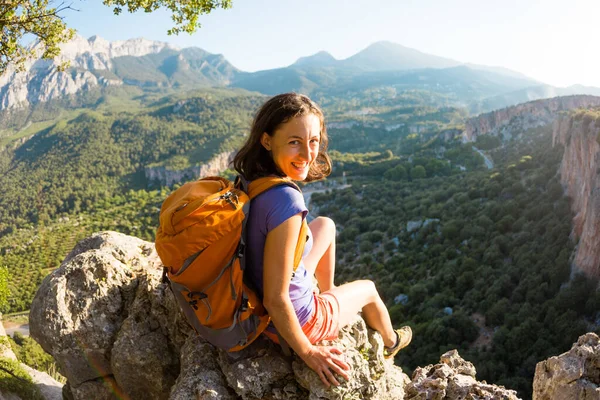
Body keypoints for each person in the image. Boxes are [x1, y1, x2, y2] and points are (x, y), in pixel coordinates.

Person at [232, 93, 411, 388]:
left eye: (313, 141)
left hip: (263, 284)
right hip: (296, 321)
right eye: (294, 142)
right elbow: (275, 300)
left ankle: (328, 291)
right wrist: (308, 352)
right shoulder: (286, 201)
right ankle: (392, 342)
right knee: (369, 289)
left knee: (325, 225)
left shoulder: (251, 181)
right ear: (267, 141)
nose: (306, 153)